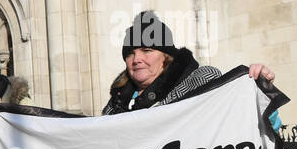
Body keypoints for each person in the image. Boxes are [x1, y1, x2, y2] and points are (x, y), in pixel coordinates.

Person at [102, 10, 275, 114]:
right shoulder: (116, 103)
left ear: (166, 57)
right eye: (130, 53)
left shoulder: (201, 80)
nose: (137, 59)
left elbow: (240, 119)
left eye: (147, 50)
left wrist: (257, 90)